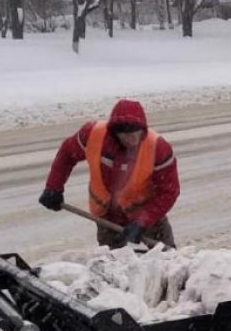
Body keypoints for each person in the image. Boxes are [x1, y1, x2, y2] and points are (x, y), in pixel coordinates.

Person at [38, 98, 180, 248]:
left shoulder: (158, 148)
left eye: (134, 133)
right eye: (124, 134)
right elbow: (67, 154)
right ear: (114, 132)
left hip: (148, 212)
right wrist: (53, 187)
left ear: (143, 129)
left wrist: (142, 221)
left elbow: (169, 191)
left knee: (169, 260)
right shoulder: (93, 134)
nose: (130, 138)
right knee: (110, 264)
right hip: (107, 217)